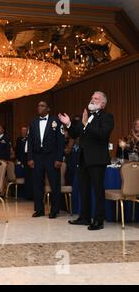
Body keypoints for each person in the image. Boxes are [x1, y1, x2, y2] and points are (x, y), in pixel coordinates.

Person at [59, 91, 114, 230]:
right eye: (91, 98)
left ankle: (98, 220)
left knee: (97, 190)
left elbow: (102, 134)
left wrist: (85, 124)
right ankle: (84, 217)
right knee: (83, 189)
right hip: (83, 159)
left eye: (96, 99)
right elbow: (75, 133)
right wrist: (69, 123)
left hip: (97, 159)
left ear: (102, 104)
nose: (92, 100)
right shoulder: (87, 116)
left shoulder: (107, 117)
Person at [27, 101, 65, 218]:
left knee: (54, 184)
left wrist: (59, 158)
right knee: (37, 184)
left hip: (52, 157)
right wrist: (30, 157)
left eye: (42, 106)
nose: (39, 107)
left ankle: (54, 210)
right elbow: (30, 142)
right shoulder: (33, 122)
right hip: (37, 157)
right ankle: (39, 210)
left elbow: (61, 140)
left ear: (48, 109)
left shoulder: (56, 121)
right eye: (38, 105)